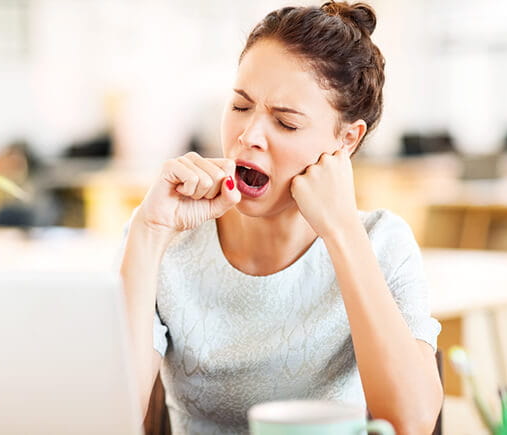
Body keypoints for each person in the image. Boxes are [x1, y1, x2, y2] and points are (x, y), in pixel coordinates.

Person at [119, 2, 443, 434]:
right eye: (239, 106)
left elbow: (413, 421)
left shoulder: (382, 241)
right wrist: (148, 231)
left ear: (346, 140)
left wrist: (342, 231)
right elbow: (108, 417)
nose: (248, 136)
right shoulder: (166, 239)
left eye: (285, 123)